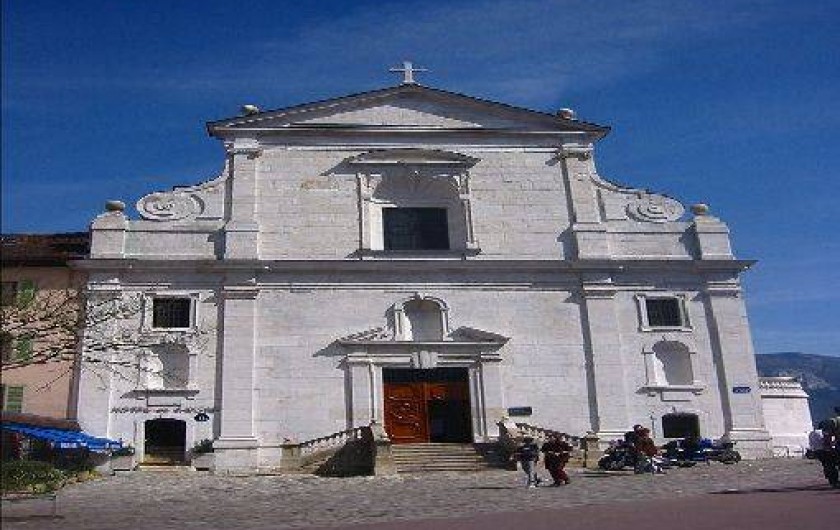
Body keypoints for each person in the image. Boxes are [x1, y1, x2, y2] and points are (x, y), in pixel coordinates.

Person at [808, 423, 837, 488]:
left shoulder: (811, 433)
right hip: (824, 451)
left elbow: (811, 443)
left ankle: (829, 478)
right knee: (831, 465)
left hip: (817, 451)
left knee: (825, 465)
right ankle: (833, 480)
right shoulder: (822, 432)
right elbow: (825, 441)